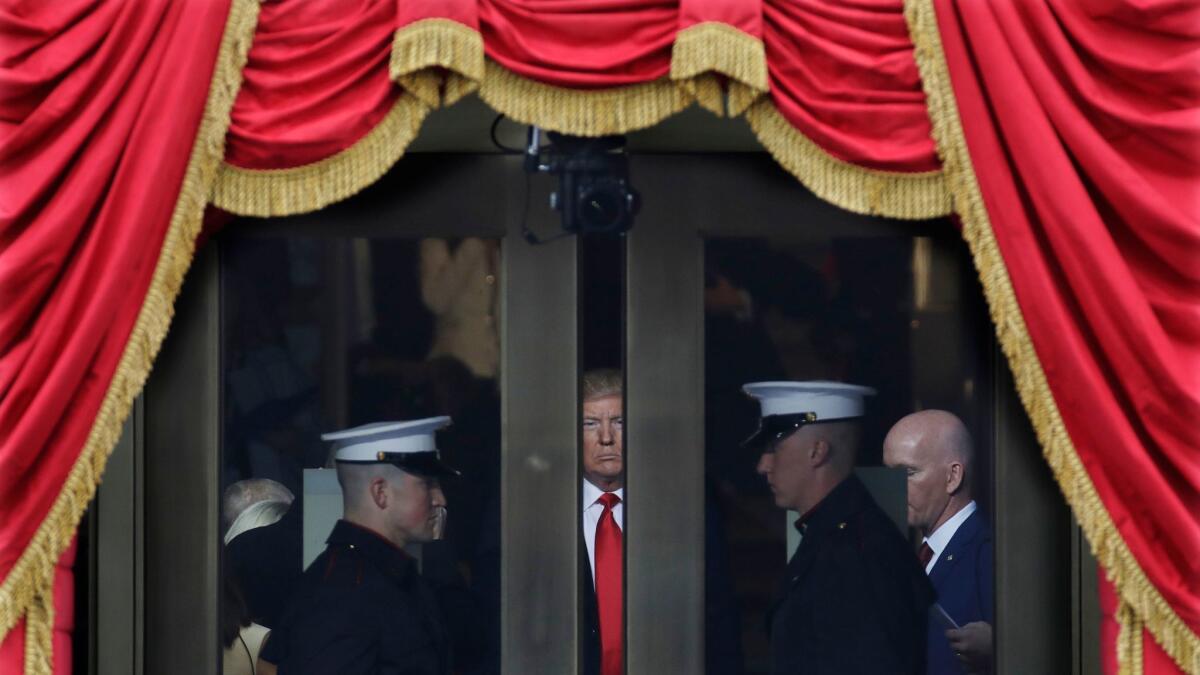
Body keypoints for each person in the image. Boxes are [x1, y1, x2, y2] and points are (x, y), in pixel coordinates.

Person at [743, 381, 933, 675]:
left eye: (775, 448)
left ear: (817, 451)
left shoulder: (855, 552)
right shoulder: (837, 536)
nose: (763, 465)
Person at [259, 417, 458, 674]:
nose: (440, 499)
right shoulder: (346, 591)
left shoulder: (387, 577)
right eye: (427, 484)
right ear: (380, 492)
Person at [578, 370, 743, 675]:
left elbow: (718, 622)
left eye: (619, 422)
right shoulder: (540, 515)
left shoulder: (687, 512)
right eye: (590, 424)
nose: (605, 438)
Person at [883, 410, 994, 675]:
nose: (894, 487)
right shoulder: (905, 552)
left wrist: (997, 646)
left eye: (908, 472)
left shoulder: (989, 549)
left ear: (952, 477)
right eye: (889, 474)